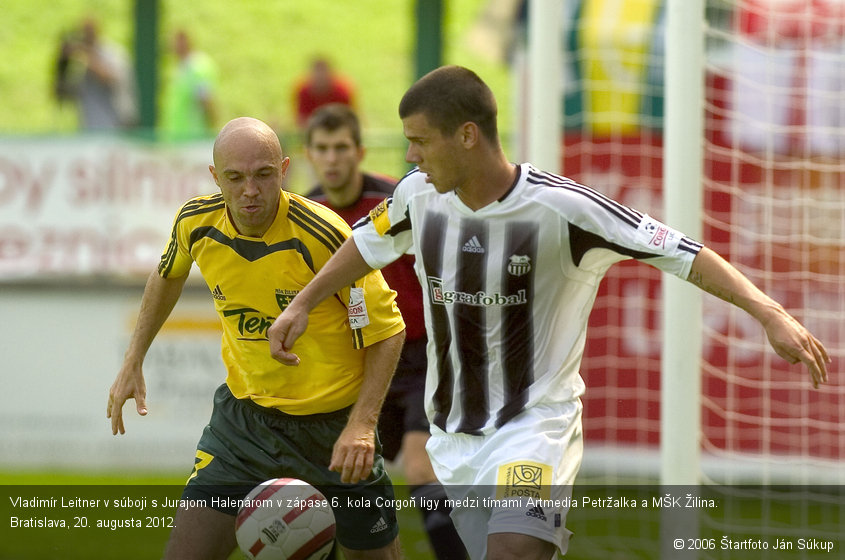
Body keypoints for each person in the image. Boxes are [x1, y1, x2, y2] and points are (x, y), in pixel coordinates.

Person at [267, 66, 830, 560]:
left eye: (420, 141)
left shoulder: (563, 209)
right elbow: (365, 244)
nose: (409, 156)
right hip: (454, 441)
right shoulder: (418, 195)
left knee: (514, 549)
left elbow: (681, 251)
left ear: (466, 136)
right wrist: (302, 303)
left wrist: (768, 311)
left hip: (535, 427)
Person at [107, 117, 405, 560]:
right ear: (215, 177)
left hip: (334, 431)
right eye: (235, 177)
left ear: (284, 170)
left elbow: (386, 332)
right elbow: (167, 274)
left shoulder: (324, 235)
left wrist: (361, 426)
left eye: (263, 175)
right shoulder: (195, 223)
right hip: (244, 426)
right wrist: (134, 359)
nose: (250, 189)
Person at [304, 103, 467, 560]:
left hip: (421, 358)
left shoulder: (398, 200)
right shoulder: (308, 214)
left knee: (420, 465)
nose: (332, 158)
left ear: (359, 151)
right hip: (359, 366)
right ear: (310, 154)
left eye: (341, 148)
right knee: (342, 475)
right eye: (323, 149)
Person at [53, 17, 137, 130]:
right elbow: (63, 93)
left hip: (115, 128)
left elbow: (109, 77)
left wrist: (83, 52)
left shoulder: (113, 53)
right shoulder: (81, 63)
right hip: (90, 128)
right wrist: (62, 63)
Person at [160, 29, 219, 141]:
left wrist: (212, 131)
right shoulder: (180, 68)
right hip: (178, 138)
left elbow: (206, 100)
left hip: (193, 138)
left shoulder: (198, 67)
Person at [294, 57, 355, 128]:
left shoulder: (341, 91)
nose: (320, 78)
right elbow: (301, 120)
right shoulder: (304, 91)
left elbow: (348, 118)